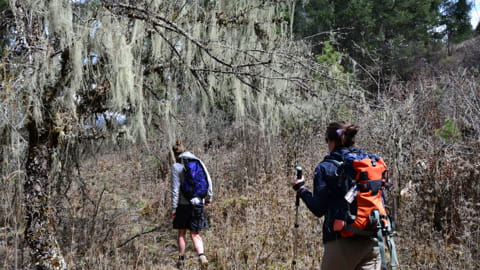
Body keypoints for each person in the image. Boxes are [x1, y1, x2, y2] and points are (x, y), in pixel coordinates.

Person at [291, 122, 382, 270]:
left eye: (327, 141)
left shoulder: (325, 168)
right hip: (372, 241)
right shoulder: (366, 163)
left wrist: (301, 189)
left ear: (331, 141)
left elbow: (318, 208)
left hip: (342, 242)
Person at [171, 140, 213, 269]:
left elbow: (175, 190)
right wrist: (208, 198)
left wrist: (173, 209)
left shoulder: (176, 166)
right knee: (195, 233)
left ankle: (182, 259)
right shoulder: (198, 161)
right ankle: (202, 256)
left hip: (183, 205)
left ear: (175, 153)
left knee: (182, 233)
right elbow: (208, 180)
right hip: (198, 203)